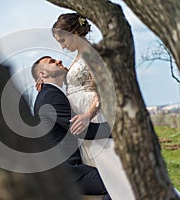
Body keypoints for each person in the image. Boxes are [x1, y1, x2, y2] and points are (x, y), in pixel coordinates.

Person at [50, 13, 136, 200]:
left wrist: (88, 115)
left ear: (74, 32)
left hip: (91, 116)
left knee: (110, 170)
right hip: (79, 120)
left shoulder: (93, 54)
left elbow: (105, 91)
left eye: (63, 40)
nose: (62, 46)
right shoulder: (79, 56)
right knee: (100, 174)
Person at [32, 56, 111, 199]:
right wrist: (117, 130)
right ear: (42, 74)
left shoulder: (48, 95)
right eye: (51, 62)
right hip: (67, 172)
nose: (59, 61)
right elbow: (80, 129)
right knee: (116, 185)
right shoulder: (50, 96)